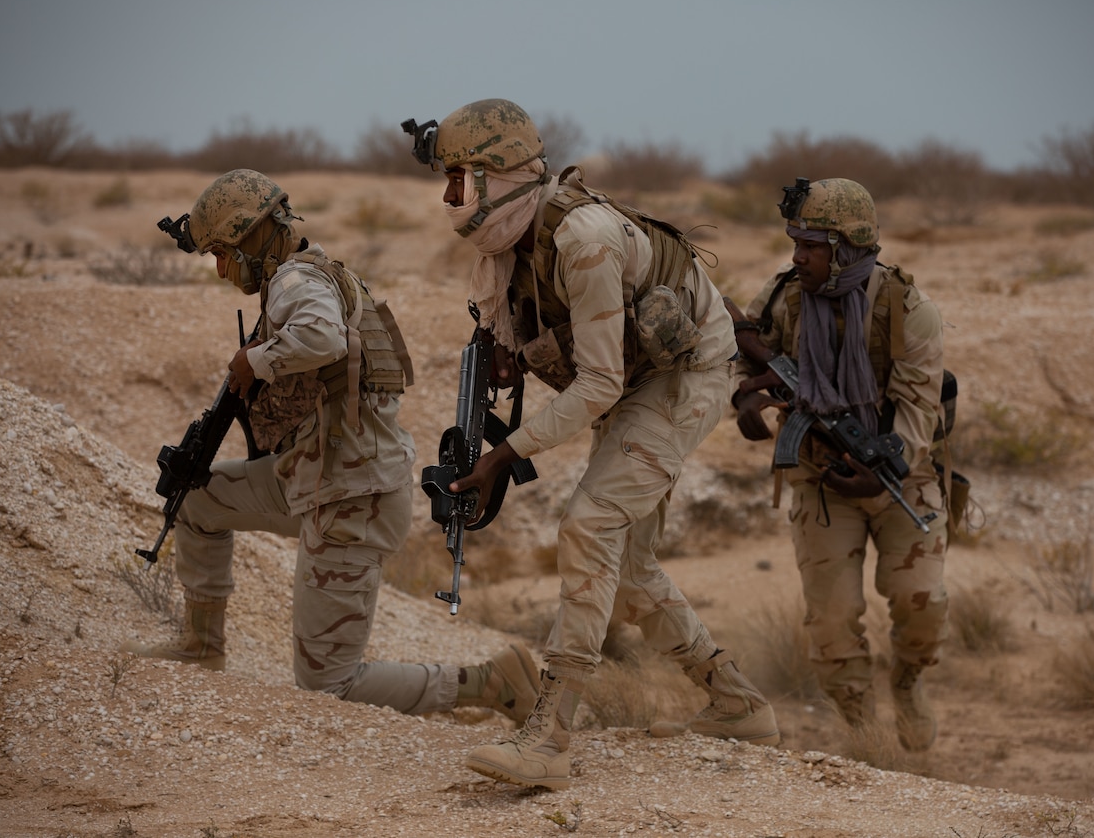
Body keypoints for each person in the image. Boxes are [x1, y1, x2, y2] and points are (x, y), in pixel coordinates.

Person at [403, 99, 778, 790]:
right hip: (636, 375)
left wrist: (504, 456)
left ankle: (549, 736)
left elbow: (600, 382)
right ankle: (737, 701)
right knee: (627, 565)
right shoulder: (500, 253)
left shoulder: (584, 239)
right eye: (446, 180)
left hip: (685, 373)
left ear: (498, 179)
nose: (449, 197)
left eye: (460, 180)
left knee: (589, 524)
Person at [121, 169, 539, 723]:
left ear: (252, 237)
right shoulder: (298, 277)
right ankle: (202, 648)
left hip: (351, 497)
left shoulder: (298, 281)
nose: (221, 270)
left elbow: (323, 338)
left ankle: (491, 683)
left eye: (223, 253)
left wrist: (255, 361)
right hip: (314, 475)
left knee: (327, 686)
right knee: (200, 499)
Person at [729, 177, 949, 751]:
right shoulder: (783, 298)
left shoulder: (908, 307)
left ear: (847, 247)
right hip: (821, 476)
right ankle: (864, 731)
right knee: (831, 621)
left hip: (906, 474)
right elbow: (740, 352)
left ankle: (907, 682)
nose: (797, 255)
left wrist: (886, 464)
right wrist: (746, 397)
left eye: (812, 244)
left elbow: (920, 407)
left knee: (922, 602)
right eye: (794, 241)